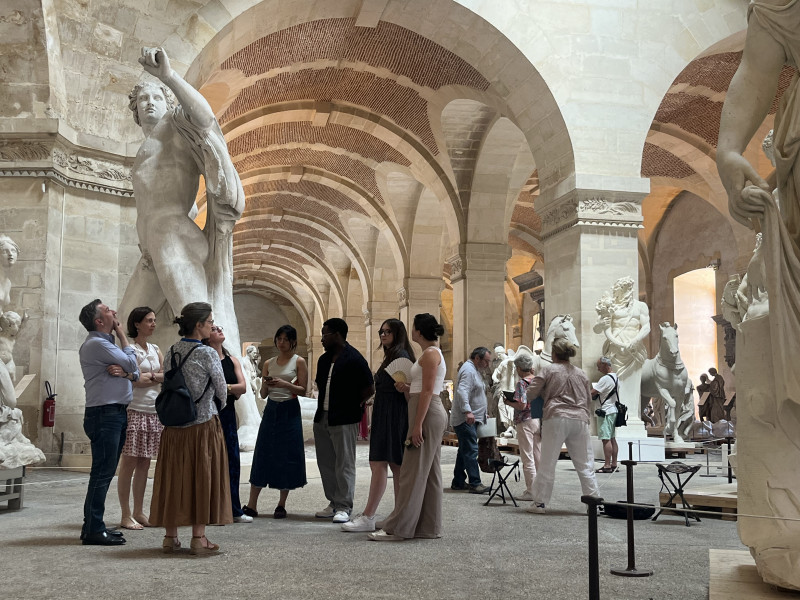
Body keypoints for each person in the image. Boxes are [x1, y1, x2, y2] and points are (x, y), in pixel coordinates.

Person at [149, 302, 231, 555]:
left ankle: (170, 537)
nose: (211, 326)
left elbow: (168, 383)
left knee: (174, 478)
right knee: (202, 478)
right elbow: (221, 389)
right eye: (209, 322)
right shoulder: (207, 353)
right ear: (198, 325)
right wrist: (219, 403)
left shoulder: (173, 349)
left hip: (174, 426)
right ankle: (199, 537)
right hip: (203, 423)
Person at [368, 313, 448, 541]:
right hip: (424, 408)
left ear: (419, 332)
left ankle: (400, 528)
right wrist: (407, 387)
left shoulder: (431, 354)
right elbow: (422, 386)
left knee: (412, 472)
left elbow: (428, 391)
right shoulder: (429, 353)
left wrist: (417, 425)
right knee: (430, 471)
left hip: (426, 411)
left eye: (414, 327)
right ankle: (427, 525)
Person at [342, 319, 415, 532]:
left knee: (386, 464)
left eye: (388, 332)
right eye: (381, 331)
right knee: (387, 464)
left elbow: (411, 393)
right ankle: (394, 515)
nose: (383, 335)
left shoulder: (401, 356)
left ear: (397, 334)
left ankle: (372, 515)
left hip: (394, 416)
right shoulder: (392, 356)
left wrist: (404, 389)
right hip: (386, 415)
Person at [78, 299, 140, 546]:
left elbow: (133, 373)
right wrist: (123, 334)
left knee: (104, 473)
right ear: (99, 321)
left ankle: (93, 526)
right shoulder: (97, 344)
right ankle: (93, 529)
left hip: (113, 413)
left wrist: (128, 371)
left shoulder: (105, 344)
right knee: (102, 474)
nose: (113, 311)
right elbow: (134, 365)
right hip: (105, 415)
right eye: (107, 310)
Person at [524, 338, 600, 514]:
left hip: (556, 417)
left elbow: (530, 393)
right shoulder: (581, 373)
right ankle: (593, 502)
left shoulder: (548, 370)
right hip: (580, 418)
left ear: (554, 353)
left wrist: (543, 391)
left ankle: (540, 503)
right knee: (585, 463)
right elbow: (588, 399)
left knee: (548, 462)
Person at [313, 318, 374, 524]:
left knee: (345, 463)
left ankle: (344, 506)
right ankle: (333, 502)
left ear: (337, 334)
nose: (322, 339)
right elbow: (320, 385)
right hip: (323, 417)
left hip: (345, 419)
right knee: (326, 462)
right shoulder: (323, 360)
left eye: (325, 334)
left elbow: (369, 387)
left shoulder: (355, 358)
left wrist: (353, 404)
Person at [244, 325, 309, 519]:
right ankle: (252, 504)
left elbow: (303, 390)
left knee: (287, 454)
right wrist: (266, 384)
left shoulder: (299, 361)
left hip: (289, 409)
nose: (281, 342)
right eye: (278, 338)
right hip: (271, 409)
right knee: (263, 452)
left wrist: (285, 384)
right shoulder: (268, 363)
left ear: (293, 341)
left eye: (285, 339)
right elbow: (263, 394)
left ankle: (281, 504)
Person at [116, 306, 164, 530]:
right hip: (134, 408)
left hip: (154, 410)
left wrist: (150, 376)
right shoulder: (130, 349)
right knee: (129, 462)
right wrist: (149, 377)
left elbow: (165, 376)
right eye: (149, 320)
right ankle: (125, 514)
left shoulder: (155, 349)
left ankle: (139, 510)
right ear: (137, 323)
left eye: (154, 320)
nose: (153, 324)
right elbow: (135, 380)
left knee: (145, 463)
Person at [203, 323, 250, 523]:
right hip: (207, 413)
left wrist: (223, 387)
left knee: (232, 461)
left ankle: (234, 508)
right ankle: (209, 509)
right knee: (209, 460)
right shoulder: (204, 357)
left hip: (228, 414)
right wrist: (229, 389)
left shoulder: (232, 360)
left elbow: (243, 387)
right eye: (213, 328)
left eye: (220, 327)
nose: (219, 329)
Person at [450, 346, 493, 494]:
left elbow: (475, 394)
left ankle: (458, 482)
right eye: (486, 361)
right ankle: (475, 482)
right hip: (465, 419)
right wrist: (468, 411)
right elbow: (463, 391)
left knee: (464, 450)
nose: (487, 365)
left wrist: (482, 413)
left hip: (471, 417)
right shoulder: (469, 370)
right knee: (471, 450)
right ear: (477, 358)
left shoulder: (474, 370)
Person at [505, 352, 540, 500]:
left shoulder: (522, 383)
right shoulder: (538, 380)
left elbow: (521, 405)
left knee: (527, 457)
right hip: (538, 420)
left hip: (525, 420)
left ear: (519, 368)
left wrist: (508, 402)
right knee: (538, 456)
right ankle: (540, 489)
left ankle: (531, 491)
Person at [591, 357, 619, 474]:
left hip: (605, 411)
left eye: (599, 366)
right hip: (613, 410)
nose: (598, 369)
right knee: (612, 438)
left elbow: (593, 392)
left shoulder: (605, 379)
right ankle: (614, 464)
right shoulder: (616, 377)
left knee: (605, 439)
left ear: (605, 365)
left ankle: (607, 465)